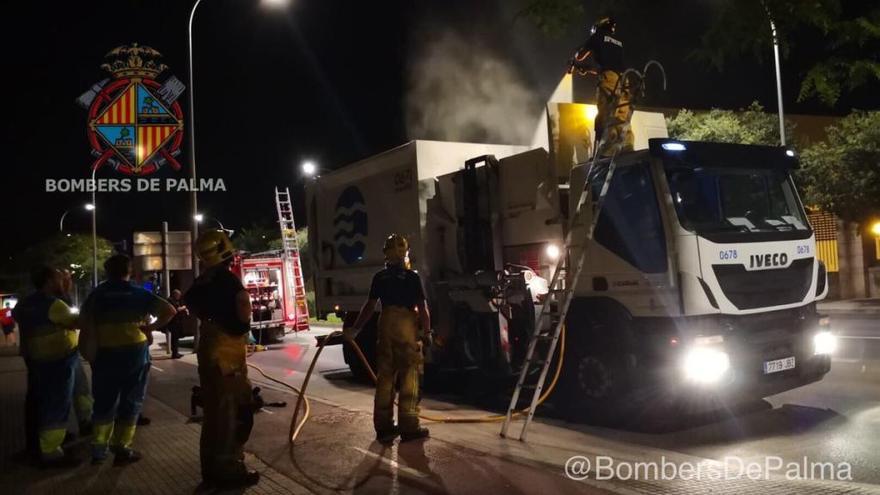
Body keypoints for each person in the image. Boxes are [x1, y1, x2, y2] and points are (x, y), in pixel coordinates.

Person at [79, 254, 176, 465]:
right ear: (129, 271)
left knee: (103, 402)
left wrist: (87, 353)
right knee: (131, 401)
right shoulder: (138, 294)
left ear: (107, 272)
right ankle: (122, 447)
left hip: (105, 356)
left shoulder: (96, 296)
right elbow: (169, 311)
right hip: (134, 355)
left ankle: (98, 449)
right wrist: (149, 328)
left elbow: (84, 325)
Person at [185, 230, 259, 489]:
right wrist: (240, 328)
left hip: (208, 348)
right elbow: (242, 305)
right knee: (234, 412)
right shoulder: (228, 280)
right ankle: (230, 471)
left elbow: (189, 302)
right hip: (227, 355)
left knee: (213, 413)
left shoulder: (201, 281)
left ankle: (211, 470)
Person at [344, 234, 432, 444]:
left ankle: (383, 428)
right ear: (404, 253)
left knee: (385, 378)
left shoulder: (379, 277)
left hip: (385, 326)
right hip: (405, 325)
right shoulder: (412, 278)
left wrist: (356, 329)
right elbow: (422, 308)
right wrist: (427, 332)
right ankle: (409, 427)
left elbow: (369, 306)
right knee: (409, 376)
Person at [12, 266, 83, 467]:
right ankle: (51, 451)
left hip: (36, 361)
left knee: (39, 403)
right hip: (58, 361)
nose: (62, 282)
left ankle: (36, 446)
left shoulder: (24, 304)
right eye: (60, 279)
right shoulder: (55, 305)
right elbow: (77, 322)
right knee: (57, 405)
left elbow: (21, 319)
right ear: (49, 282)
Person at [569, 16, 634, 156]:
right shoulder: (618, 42)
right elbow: (610, 65)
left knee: (606, 113)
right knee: (622, 114)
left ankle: (606, 152)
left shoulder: (597, 36)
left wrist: (574, 59)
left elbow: (580, 55)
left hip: (609, 78)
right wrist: (587, 69)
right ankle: (627, 147)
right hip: (624, 79)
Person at [164, 289, 189, 359]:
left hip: (176, 322)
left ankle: (175, 352)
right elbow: (176, 309)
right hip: (173, 322)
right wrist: (184, 307)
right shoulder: (170, 300)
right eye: (178, 295)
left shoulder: (174, 300)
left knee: (175, 338)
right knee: (174, 338)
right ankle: (175, 353)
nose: (179, 297)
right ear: (175, 294)